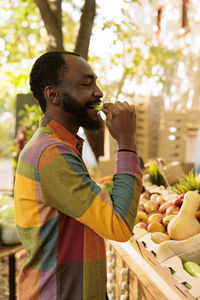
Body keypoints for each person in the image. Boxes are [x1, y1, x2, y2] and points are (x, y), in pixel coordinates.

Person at [14, 51, 143, 300]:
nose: (98, 92)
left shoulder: (57, 146)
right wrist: (127, 142)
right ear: (53, 94)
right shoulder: (52, 153)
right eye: (86, 83)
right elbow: (118, 226)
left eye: (95, 82)